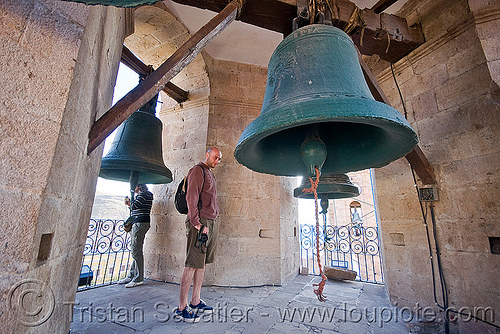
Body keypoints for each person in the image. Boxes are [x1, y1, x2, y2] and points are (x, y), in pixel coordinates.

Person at [174, 147, 222, 322]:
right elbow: (191, 197)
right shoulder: (197, 170)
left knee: (201, 264)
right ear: (207, 155)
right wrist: (196, 223)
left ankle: (195, 301)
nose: (217, 161)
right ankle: (181, 307)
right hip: (200, 222)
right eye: (215, 157)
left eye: (219, 159)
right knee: (192, 263)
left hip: (211, 222)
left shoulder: (209, 173)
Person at [118, 183, 153, 288]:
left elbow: (134, 206)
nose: (134, 188)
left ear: (139, 186)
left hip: (139, 223)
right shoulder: (147, 195)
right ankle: (132, 274)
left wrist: (129, 201)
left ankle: (138, 278)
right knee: (136, 250)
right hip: (140, 223)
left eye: (135, 186)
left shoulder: (144, 195)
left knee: (135, 250)